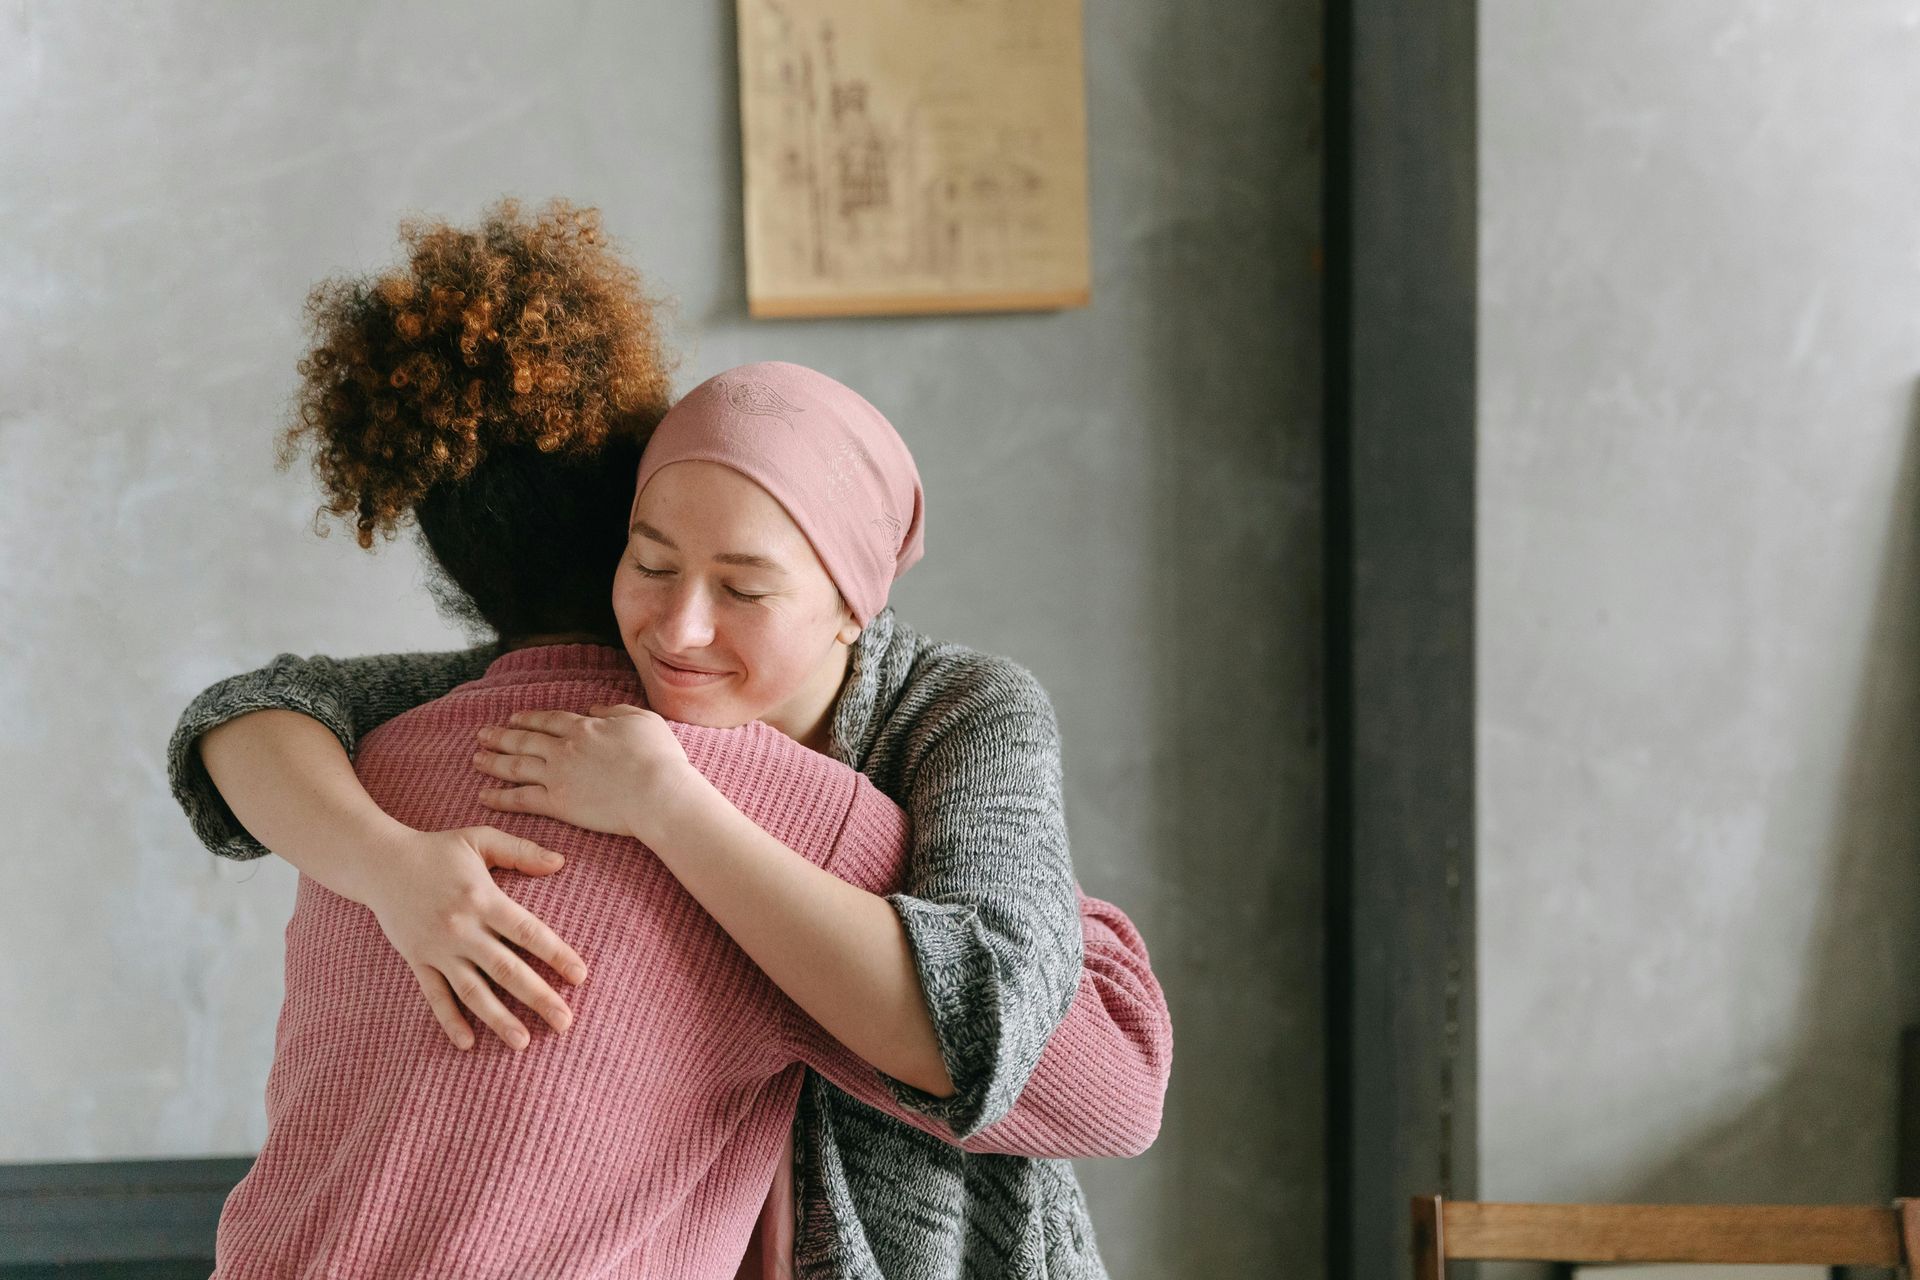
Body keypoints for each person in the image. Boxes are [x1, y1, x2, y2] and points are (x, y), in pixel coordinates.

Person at [168, 199, 1171, 1279]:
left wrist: (673, 805)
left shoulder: (954, 714)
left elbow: (1052, 1053)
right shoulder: (553, 714)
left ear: (853, 604)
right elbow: (258, 705)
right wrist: (394, 866)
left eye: (743, 586)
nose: (680, 627)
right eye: (649, 564)